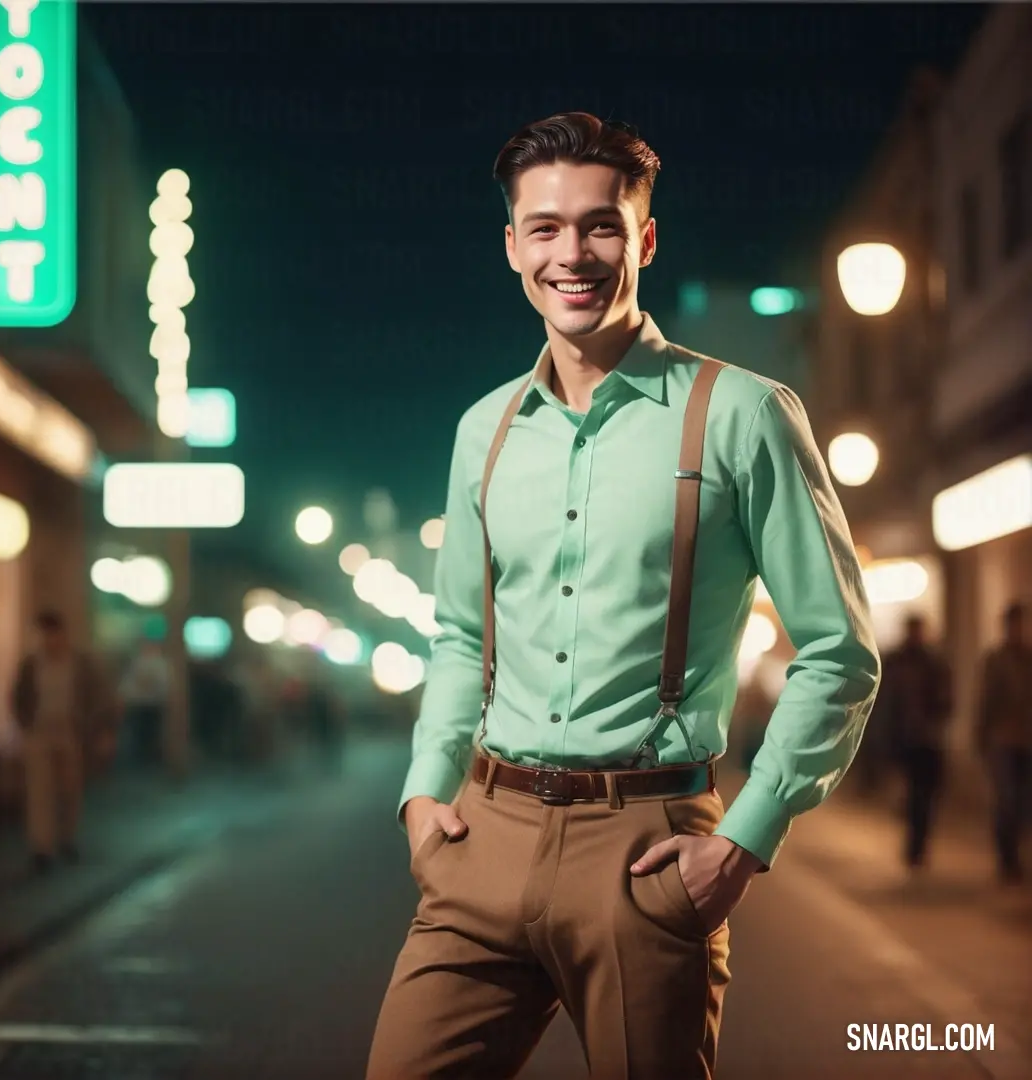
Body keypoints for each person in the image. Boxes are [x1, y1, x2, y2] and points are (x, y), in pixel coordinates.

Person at [366, 112, 880, 1080]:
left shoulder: (742, 413)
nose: (574, 253)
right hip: (482, 836)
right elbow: (458, 633)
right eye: (546, 227)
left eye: (601, 225)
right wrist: (422, 797)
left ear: (643, 239)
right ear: (513, 246)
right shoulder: (485, 429)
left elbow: (839, 651)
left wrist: (742, 843)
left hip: (646, 852)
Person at [12, 611, 109, 873]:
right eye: (45, 634)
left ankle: (67, 837)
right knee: (39, 791)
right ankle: (42, 847)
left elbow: (95, 695)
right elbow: (19, 695)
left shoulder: (79, 663)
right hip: (39, 730)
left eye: (54, 634)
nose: (50, 640)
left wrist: (90, 726)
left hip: (70, 730)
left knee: (70, 789)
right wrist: (25, 724)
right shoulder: (32, 664)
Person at [874, 615, 952, 868]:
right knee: (911, 795)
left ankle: (919, 845)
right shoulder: (895, 661)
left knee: (926, 796)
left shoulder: (934, 662)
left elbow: (946, 698)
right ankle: (913, 844)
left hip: (928, 739)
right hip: (903, 738)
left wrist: (937, 718)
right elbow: (884, 700)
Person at [976, 602, 1032, 884]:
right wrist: (981, 738)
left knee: (1023, 802)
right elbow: (986, 702)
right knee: (1006, 800)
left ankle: (1016, 856)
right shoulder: (996, 660)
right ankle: (1007, 858)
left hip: (1027, 742)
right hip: (1003, 740)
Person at [118, 637, 170, 767]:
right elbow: (129, 683)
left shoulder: (159, 663)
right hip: (138, 704)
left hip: (152, 704)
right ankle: (140, 757)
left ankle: (146, 758)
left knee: (148, 732)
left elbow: (162, 683)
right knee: (139, 732)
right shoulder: (138, 662)